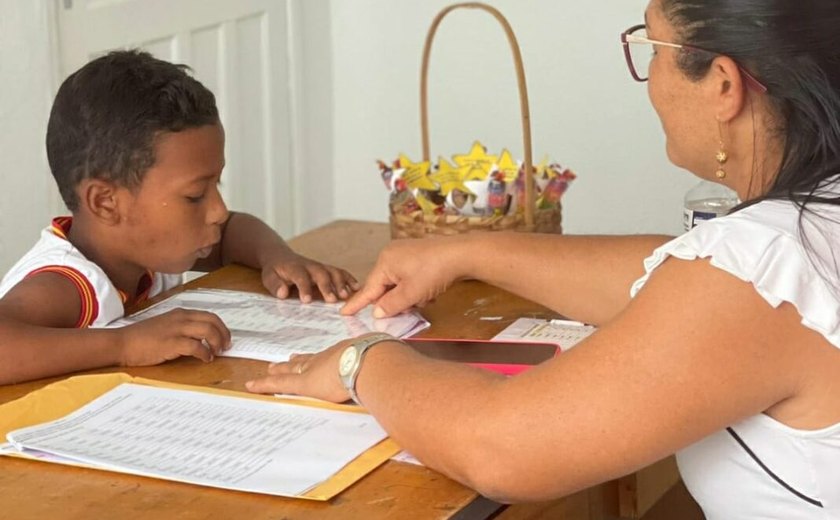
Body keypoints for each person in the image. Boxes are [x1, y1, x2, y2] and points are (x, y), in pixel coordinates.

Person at [246, 0, 840, 518]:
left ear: (723, 85)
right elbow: (669, 273)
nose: (649, 76)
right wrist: (467, 251)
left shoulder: (764, 264)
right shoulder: (813, 221)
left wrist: (362, 361)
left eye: (651, 45)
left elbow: (502, 448)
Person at [0, 50, 359, 386]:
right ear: (106, 202)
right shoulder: (68, 285)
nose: (218, 210)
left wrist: (278, 258)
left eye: (215, 185)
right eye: (194, 196)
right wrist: (123, 344)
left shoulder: (145, 251)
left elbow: (233, 229)